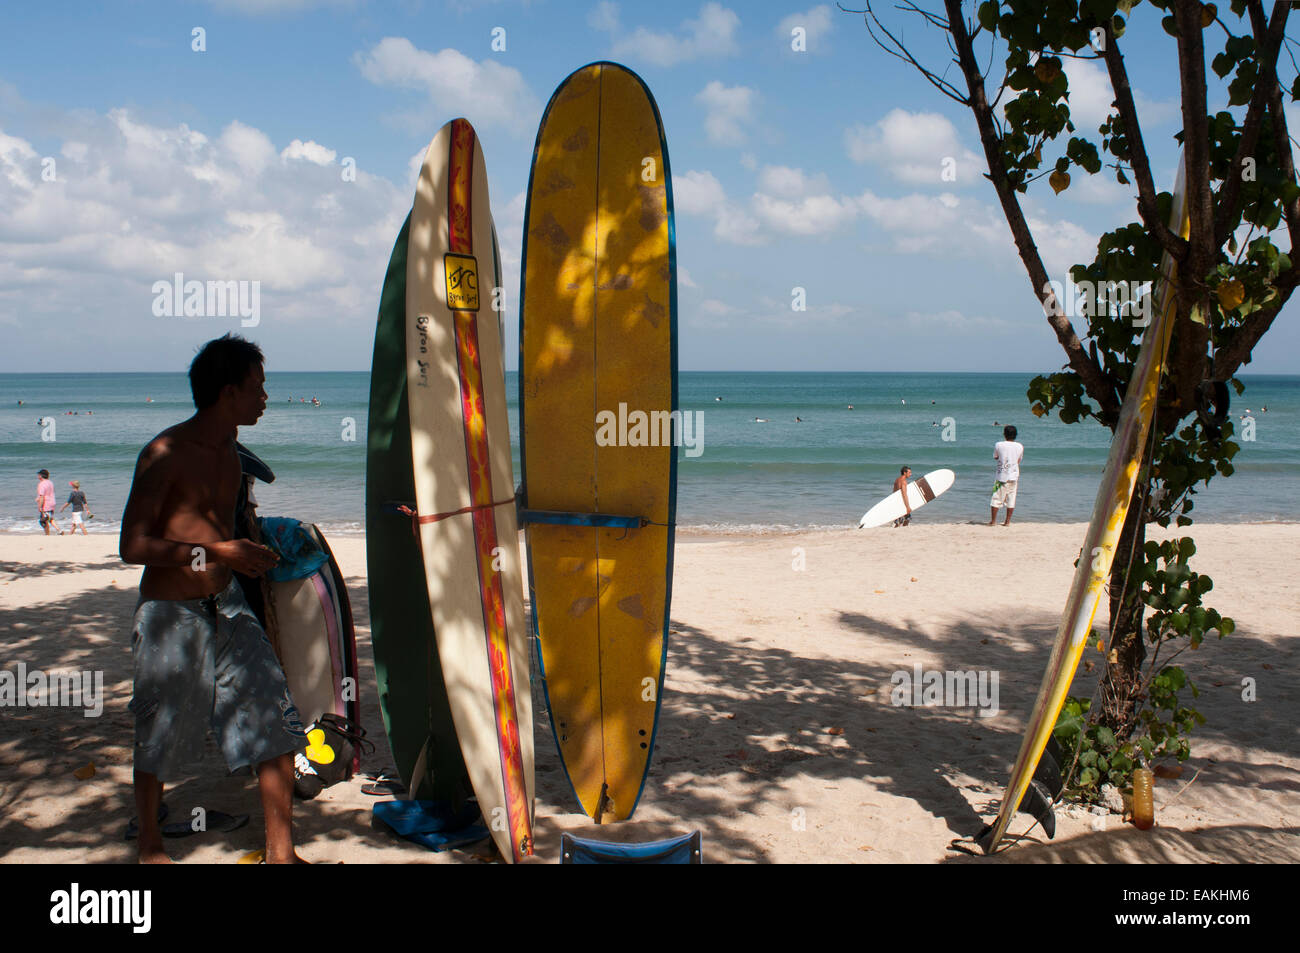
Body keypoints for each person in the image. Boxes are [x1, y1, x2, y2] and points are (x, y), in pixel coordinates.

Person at [119, 334, 305, 864]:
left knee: (274, 717)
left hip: (227, 607)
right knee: (159, 731)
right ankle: (151, 848)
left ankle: (282, 854)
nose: (265, 396)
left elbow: (218, 534)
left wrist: (246, 555)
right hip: (170, 614)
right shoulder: (166, 453)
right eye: (257, 387)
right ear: (228, 392)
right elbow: (133, 546)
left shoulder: (232, 453)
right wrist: (220, 550)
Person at [990, 425, 1024, 526]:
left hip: (1001, 476)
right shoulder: (1020, 446)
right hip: (1014, 476)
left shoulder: (999, 445)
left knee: (996, 498)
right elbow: (1019, 460)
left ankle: (993, 521)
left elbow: (996, 457)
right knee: (1011, 499)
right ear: (1015, 435)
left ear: (1004, 434)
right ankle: (1007, 521)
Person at [36, 469, 60, 535]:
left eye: (39, 475)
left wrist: (40, 506)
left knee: (43, 520)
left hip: (46, 504)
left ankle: (49, 533)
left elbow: (42, 496)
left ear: (41, 476)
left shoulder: (42, 484)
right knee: (49, 519)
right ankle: (57, 531)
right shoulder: (50, 482)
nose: (38, 476)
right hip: (52, 502)